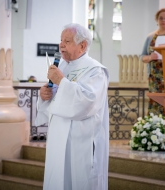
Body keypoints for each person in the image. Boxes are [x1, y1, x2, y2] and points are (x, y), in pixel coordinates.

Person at [35, 23, 109, 190]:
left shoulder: (95, 70)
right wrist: (44, 95)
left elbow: (87, 102)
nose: (61, 44)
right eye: (61, 40)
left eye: (67, 41)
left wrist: (61, 81)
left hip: (81, 140)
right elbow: (54, 101)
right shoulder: (62, 67)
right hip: (57, 138)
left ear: (82, 45)